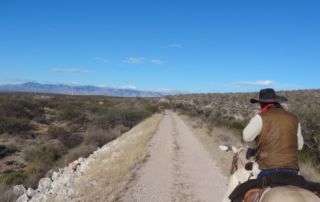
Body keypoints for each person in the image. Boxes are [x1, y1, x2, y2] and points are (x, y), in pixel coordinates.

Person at [243, 88, 304, 178]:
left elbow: (246, 137)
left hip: (268, 168)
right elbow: (300, 146)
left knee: (239, 189)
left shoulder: (260, 117)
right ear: (277, 102)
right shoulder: (294, 118)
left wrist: (254, 117)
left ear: (261, 103)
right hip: (293, 169)